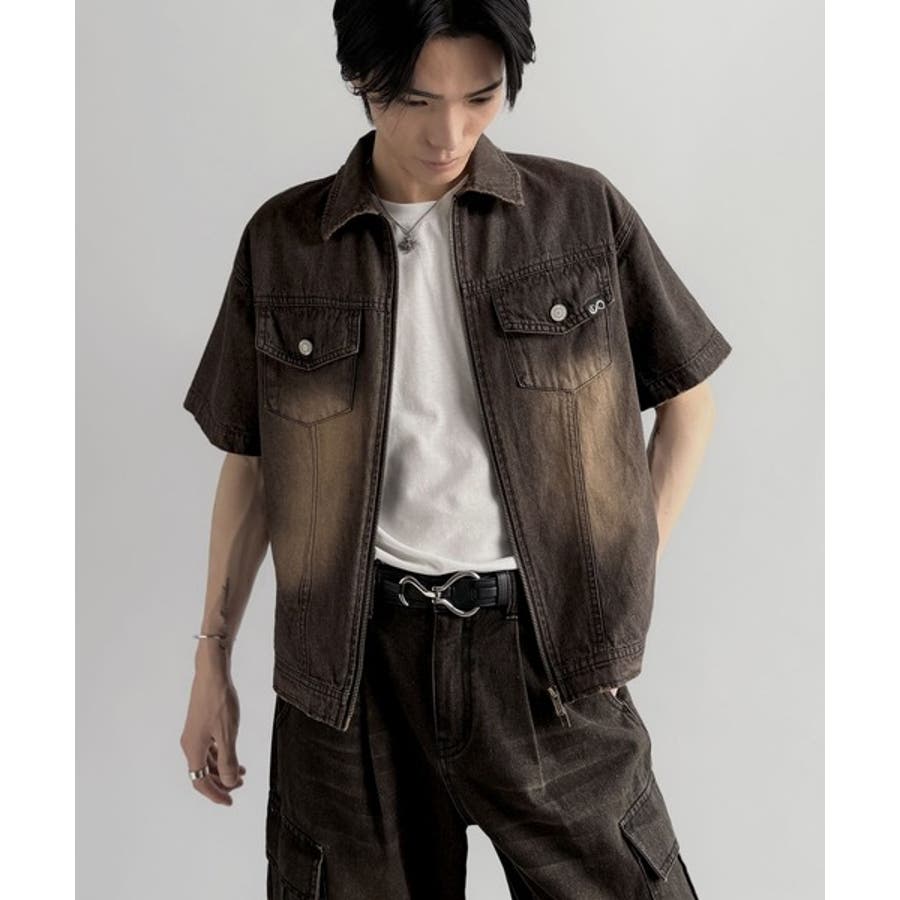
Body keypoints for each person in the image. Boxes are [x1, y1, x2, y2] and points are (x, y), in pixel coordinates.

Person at [179, 2, 732, 897]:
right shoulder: (284, 244)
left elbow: (688, 402)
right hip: (351, 674)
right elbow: (251, 461)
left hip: (540, 659)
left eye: (481, 97)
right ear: (360, 80)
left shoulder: (578, 215)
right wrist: (212, 657)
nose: (449, 133)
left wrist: (613, 571)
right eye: (414, 99)